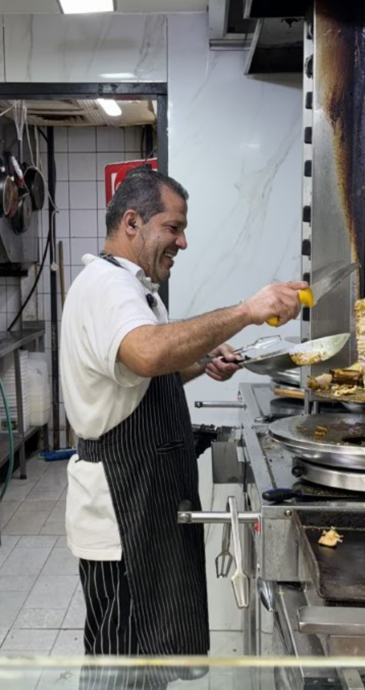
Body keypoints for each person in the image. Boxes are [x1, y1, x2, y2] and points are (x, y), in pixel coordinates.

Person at [59, 166, 307, 667]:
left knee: (146, 661)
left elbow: (135, 373)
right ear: (133, 222)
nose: (183, 241)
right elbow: (148, 354)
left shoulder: (132, 287)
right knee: (120, 666)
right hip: (122, 514)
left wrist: (199, 363)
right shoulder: (108, 287)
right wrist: (247, 309)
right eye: (173, 228)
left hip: (144, 501)